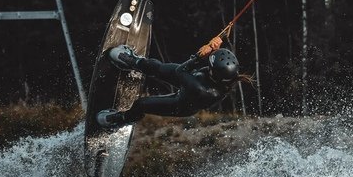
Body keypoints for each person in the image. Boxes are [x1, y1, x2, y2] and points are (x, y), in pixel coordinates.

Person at [96, 36, 243, 127]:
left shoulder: (203, 90)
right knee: (156, 67)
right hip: (192, 79)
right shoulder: (224, 75)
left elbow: (180, 71)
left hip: (181, 104)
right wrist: (214, 48)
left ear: (215, 74)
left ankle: (121, 119)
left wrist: (199, 58)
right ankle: (133, 61)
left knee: (141, 104)